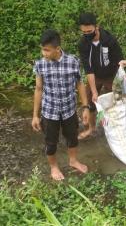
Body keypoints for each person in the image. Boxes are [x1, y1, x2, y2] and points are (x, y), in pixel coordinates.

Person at [31, 29, 90, 181]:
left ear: (57, 48)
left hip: (69, 110)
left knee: (72, 137)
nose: (43, 53)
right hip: (49, 112)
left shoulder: (73, 61)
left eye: (47, 50)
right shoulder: (40, 65)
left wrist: (85, 107)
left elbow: (80, 84)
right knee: (50, 142)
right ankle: (54, 167)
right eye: (42, 49)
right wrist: (35, 116)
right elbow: (38, 89)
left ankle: (73, 160)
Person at [78, 12, 123, 139]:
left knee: (115, 102)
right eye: (84, 32)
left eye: (89, 31)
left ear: (96, 27)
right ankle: (91, 128)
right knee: (90, 100)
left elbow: (119, 61)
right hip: (95, 76)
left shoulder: (109, 40)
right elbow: (88, 69)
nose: (87, 34)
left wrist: (118, 81)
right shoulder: (83, 44)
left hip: (111, 75)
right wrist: (94, 92)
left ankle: (116, 128)